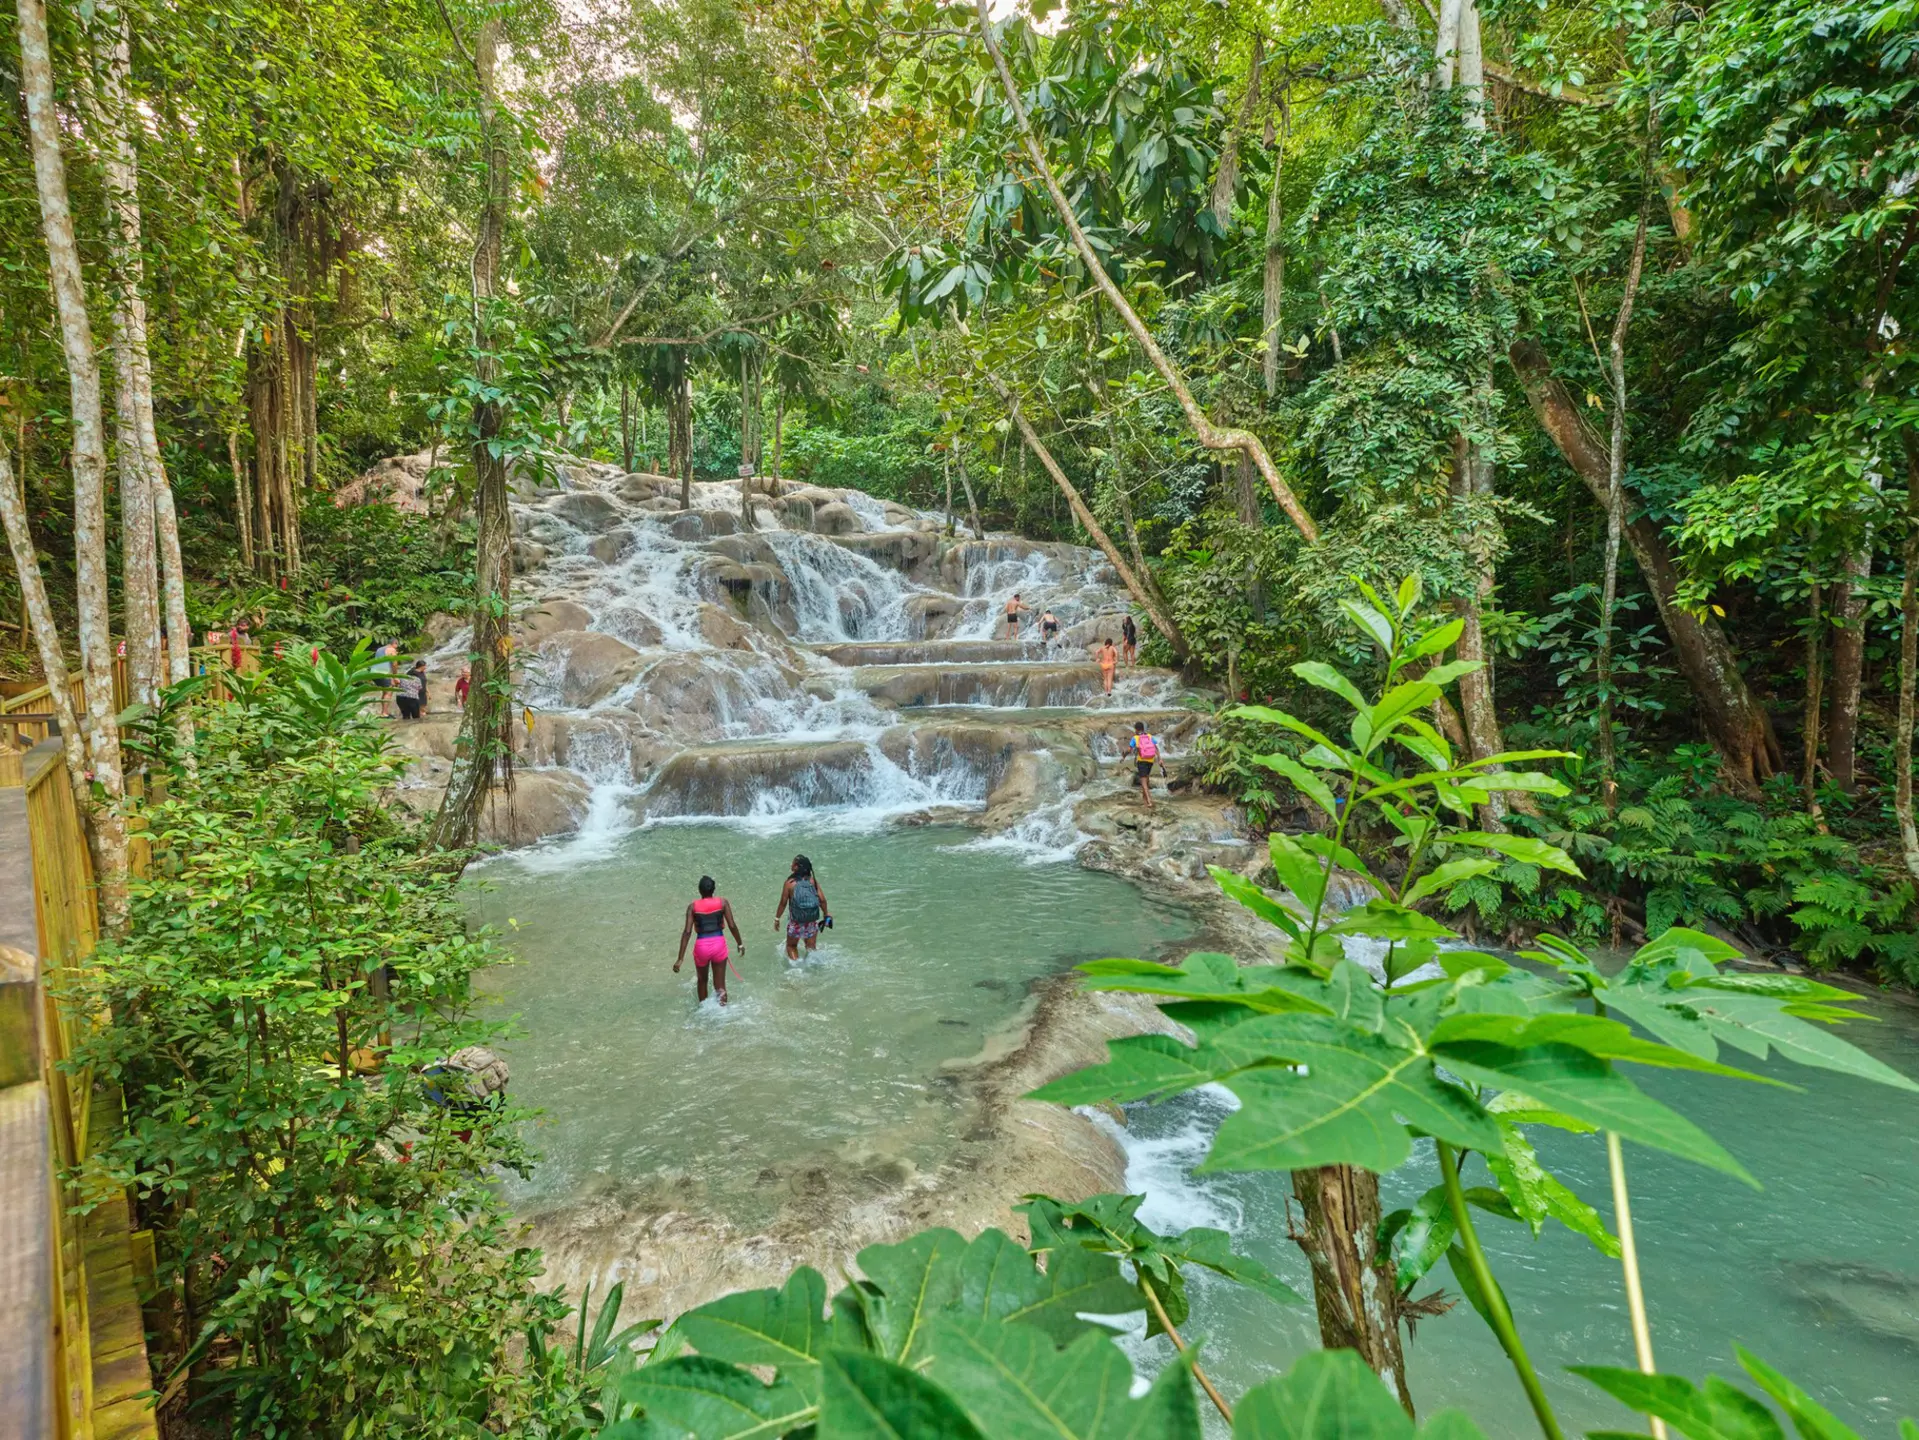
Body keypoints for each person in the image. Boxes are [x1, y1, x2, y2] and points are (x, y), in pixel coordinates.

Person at [675, 875, 745, 1004]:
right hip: (718, 944)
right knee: (720, 986)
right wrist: (740, 943)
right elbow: (732, 925)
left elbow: (687, 932)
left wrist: (680, 958)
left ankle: (703, 1010)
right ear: (713, 890)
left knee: (702, 981)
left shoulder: (692, 907)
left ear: (699, 890)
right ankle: (723, 1011)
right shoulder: (723, 903)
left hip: (701, 945)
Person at [775, 854, 831, 961]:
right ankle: (812, 967)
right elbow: (822, 900)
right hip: (811, 921)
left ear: (796, 867)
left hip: (796, 922)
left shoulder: (789, 883)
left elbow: (783, 903)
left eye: (793, 863)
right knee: (811, 948)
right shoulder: (812, 881)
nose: (791, 864)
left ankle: (797, 967)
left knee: (791, 946)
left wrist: (777, 919)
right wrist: (826, 914)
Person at [1128, 720, 1165, 808]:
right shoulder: (1149, 736)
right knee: (1147, 779)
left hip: (1142, 760)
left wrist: (1123, 755)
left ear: (1136, 730)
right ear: (1143, 729)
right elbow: (1156, 748)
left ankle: (1149, 801)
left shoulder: (1135, 738)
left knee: (1143, 782)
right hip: (1150, 760)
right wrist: (1160, 759)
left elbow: (1129, 750)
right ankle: (1144, 800)